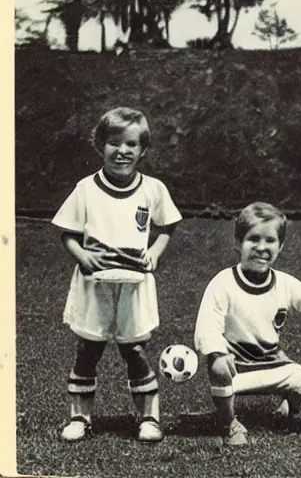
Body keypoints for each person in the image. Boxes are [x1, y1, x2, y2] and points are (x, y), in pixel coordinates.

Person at [52, 107, 182, 443]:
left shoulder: (152, 189)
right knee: (87, 349)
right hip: (94, 283)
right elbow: (66, 232)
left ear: (143, 150)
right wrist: (82, 256)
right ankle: (79, 418)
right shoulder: (86, 188)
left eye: (130, 144)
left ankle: (149, 418)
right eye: (113, 142)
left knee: (134, 350)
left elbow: (168, 226)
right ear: (100, 145)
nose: (122, 150)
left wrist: (154, 251)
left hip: (135, 283)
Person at [193, 202, 301, 447]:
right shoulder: (223, 283)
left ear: (280, 246)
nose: (262, 248)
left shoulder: (285, 284)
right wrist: (218, 353)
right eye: (253, 239)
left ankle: (286, 408)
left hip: (272, 364)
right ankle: (229, 422)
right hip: (235, 369)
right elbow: (207, 327)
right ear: (237, 243)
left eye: (270, 241)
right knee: (217, 366)